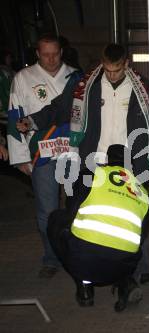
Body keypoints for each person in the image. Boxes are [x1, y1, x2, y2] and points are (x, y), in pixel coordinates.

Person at [16, 43, 149, 284]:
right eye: (108, 70)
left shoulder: (142, 88)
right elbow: (59, 107)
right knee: (83, 215)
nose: (112, 75)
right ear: (102, 63)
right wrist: (32, 121)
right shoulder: (85, 85)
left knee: (133, 216)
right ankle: (83, 274)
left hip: (129, 162)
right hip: (94, 161)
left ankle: (138, 267)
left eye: (118, 70)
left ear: (127, 64)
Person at [47, 144, 149, 312]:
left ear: (107, 161)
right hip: (123, 265)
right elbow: (141, 236)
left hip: (84, 262)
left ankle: (84, 287)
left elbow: (72, 210)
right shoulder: (142, 191)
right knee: (127, 244)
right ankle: (126, 282)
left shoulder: (91, 175)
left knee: (56, 219)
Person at [7, 34, 77, 278]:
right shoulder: (23, 79)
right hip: (41, 154)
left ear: (61, 51)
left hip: (72, 152)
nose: (51, 59)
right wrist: (21, 158)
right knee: (47, 210)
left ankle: (78, 254)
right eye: (45, 54)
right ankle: (52, 258)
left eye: (55, 53)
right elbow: (15, 117)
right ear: (37, 54)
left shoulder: (75, 76)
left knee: (77, 207)